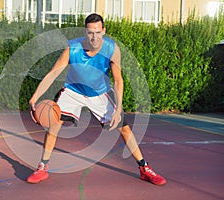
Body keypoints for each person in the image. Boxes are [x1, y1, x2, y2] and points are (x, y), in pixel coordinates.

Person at [27, 13, 166, 186]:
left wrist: (118, 109)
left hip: (99, 93)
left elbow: (118, 80)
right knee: (54, 124)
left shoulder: (112, 49)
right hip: (73, 91)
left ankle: (144, 168)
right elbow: (53, 73)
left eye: (98, 32)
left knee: (124, 128)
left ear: (104, 31)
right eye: (91, 32)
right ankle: (42, 167)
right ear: (85, 31)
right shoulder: (72, 48)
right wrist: (34, 98)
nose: (94, 37)